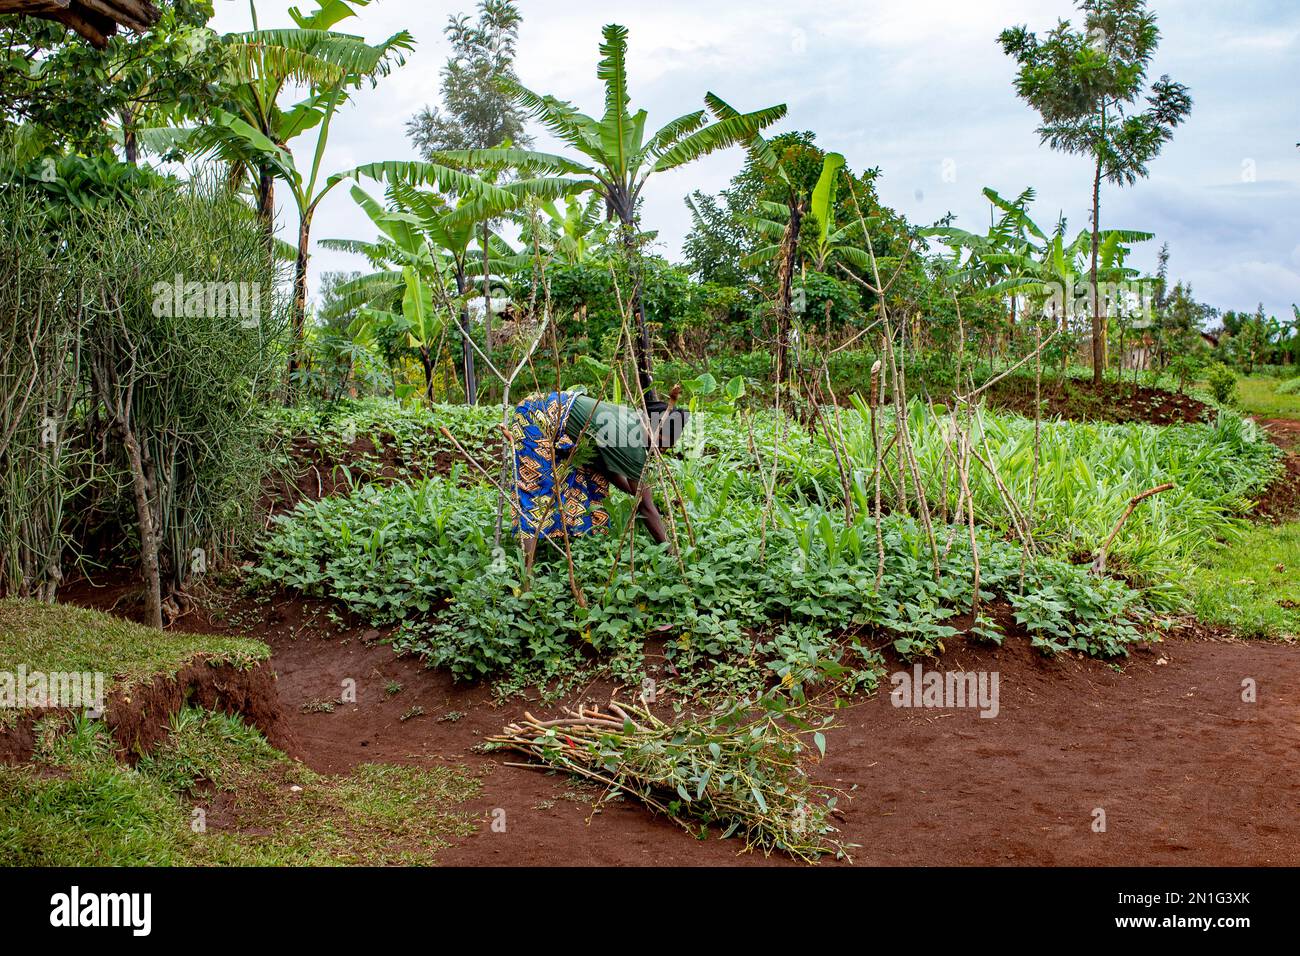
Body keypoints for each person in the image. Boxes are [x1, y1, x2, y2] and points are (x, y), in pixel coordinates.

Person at [509, 386, 689, 566]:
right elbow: (644, 506)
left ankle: (587, 551)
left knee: (593, 480)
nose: (662, 450)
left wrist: (645, 497)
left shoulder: (632, 423)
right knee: (535, 490)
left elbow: (608, 471)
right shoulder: (632, 444)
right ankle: (527, 574)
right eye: (663, 443)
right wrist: (673, 555)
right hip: (535, 415)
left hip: (563, 424)